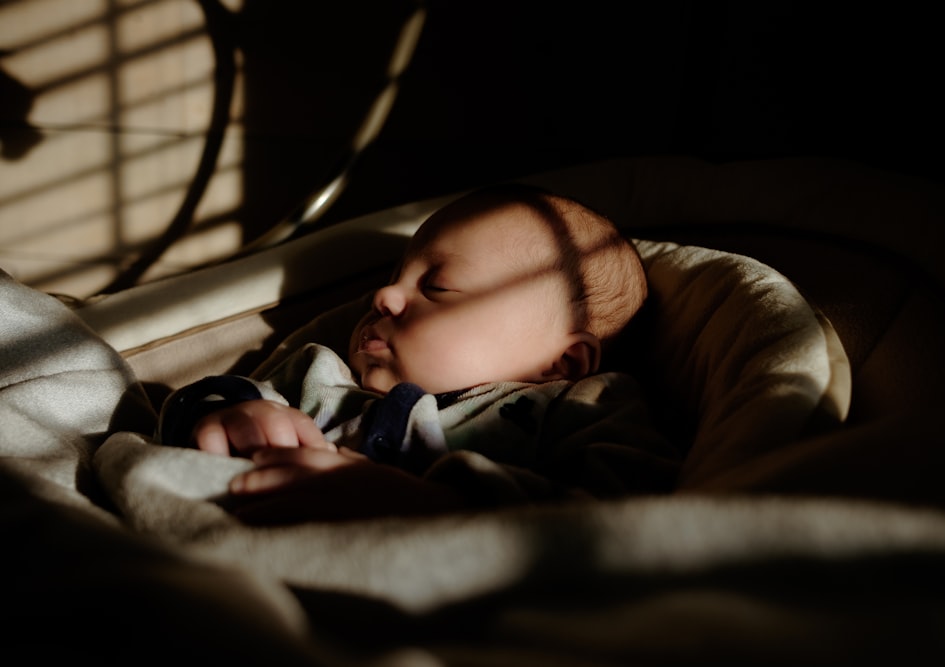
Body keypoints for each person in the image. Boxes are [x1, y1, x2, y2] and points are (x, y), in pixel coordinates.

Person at [157, 184, 679, 522]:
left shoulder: (578, 408)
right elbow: (195, 411)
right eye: (393, 279)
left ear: (562, 364)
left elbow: (624, 518)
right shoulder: (322, 376)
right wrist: (231, 414)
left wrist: (439, 507)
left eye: (438, 287)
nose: (382, 297)